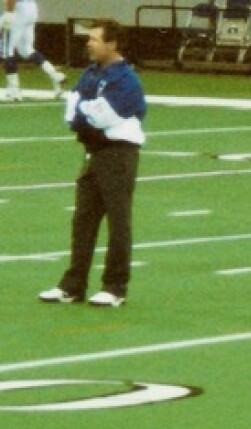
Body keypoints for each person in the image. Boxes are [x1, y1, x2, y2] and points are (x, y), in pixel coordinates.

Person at [38, 19, 146, 308]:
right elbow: (72, 107)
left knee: (118, 221)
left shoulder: (125, 80)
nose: (88, 43)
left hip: (118, 154)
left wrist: (85, 111)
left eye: (95, 39)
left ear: (112, 45)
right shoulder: (89, 73)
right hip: (94, 152)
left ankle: (115, 286)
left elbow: (102, 116)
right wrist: (86, 111)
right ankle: (73, 285)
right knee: (83, 220)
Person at [2, 0, 66, 101]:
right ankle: (55, 75)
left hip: (19, 9)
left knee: (8, 50)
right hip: (31, 8)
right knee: (27, 50)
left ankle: (14, 91)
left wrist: (9, 14)